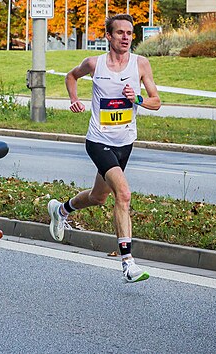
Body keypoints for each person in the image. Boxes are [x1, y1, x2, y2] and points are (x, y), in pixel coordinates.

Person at [47, 14, 161, 283]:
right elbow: (71, 76)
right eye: (119, 32)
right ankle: (128, 264)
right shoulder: (94, 64)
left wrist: (139, 98)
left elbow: (156, 102)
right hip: (99, 141)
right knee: (123, 193)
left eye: (129, 33)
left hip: (125, 143)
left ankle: (61, 210)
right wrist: (74, 99)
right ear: (108, 36)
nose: (125, 37)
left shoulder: (141, 64)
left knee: (99, 197)